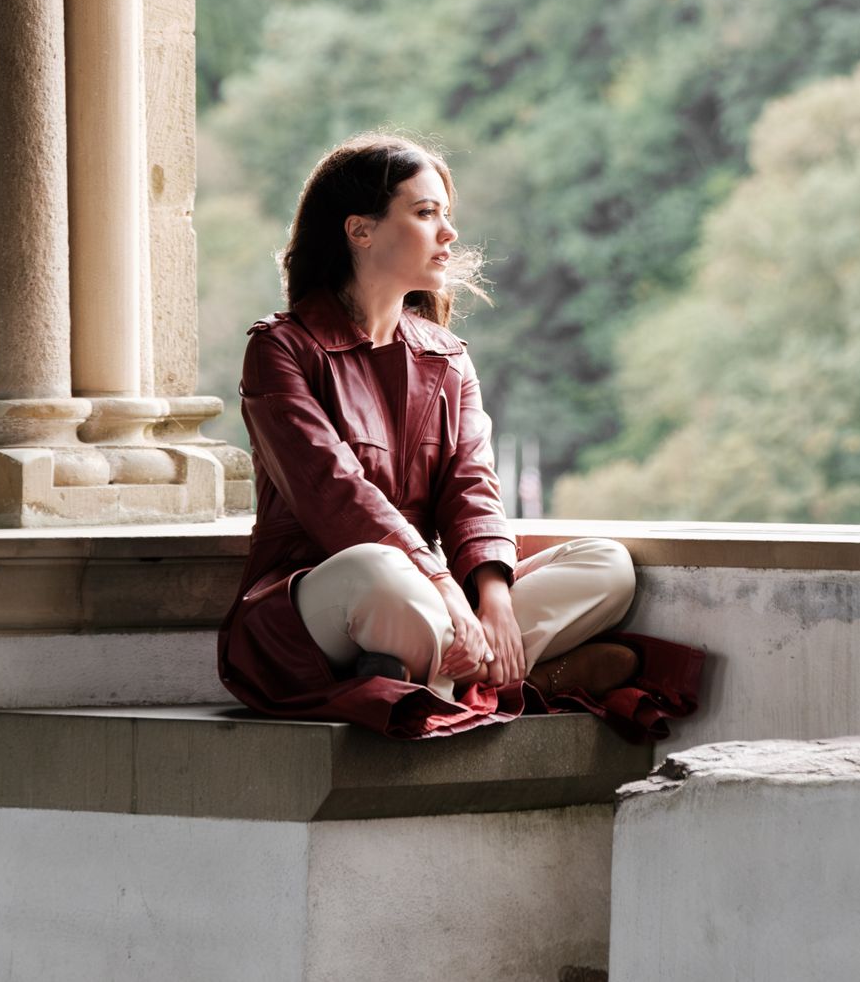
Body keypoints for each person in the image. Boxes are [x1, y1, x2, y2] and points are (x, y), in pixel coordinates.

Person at [217, 132, 702, 739]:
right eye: (425, 214)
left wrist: (493, 596)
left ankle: (434, 678)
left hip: (428, 607)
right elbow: (334, 495)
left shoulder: (446, 358)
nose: (448, 233)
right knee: (380, 572)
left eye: (446, 215)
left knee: (606, 565)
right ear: (359, 230)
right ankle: (518, 680)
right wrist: (444, 586)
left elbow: (472, 486)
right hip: (321, 605)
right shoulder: (280, 349)